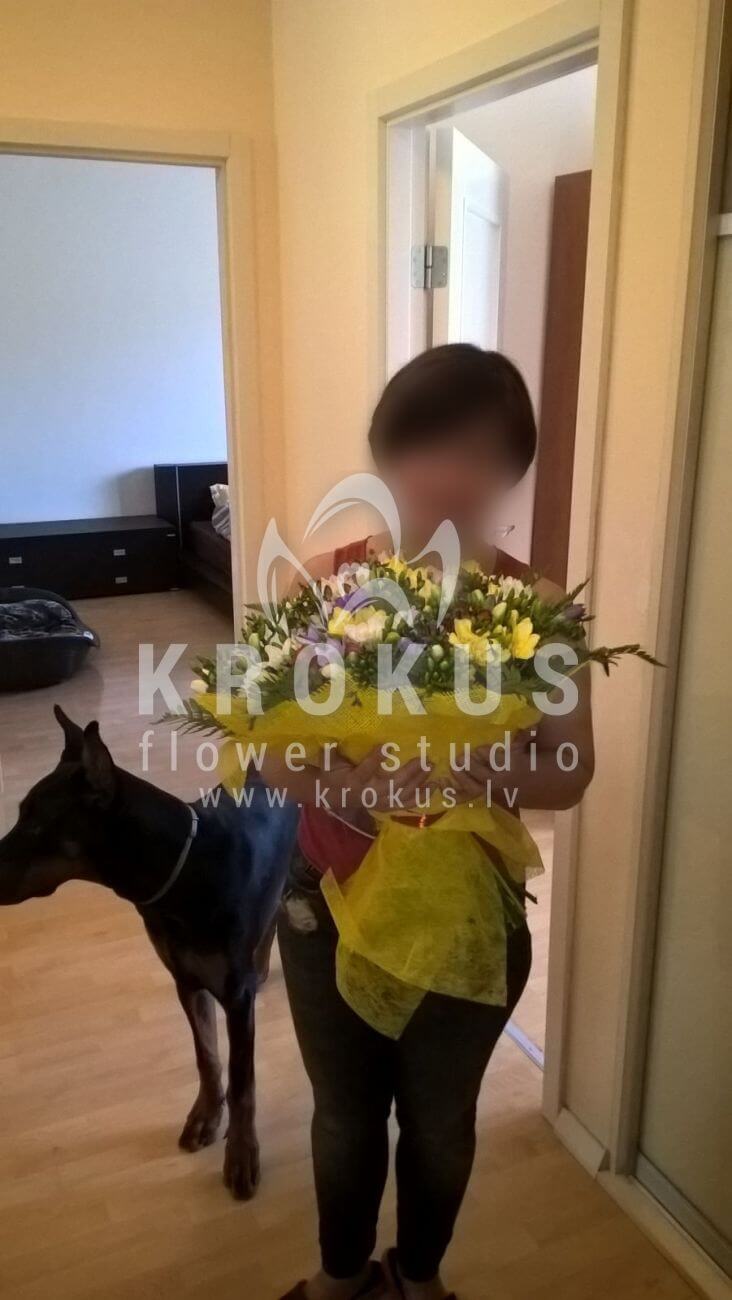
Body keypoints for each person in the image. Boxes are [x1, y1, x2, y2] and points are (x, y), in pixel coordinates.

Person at [266, 344, 595, 1300]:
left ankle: (417, 1279)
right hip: (329, 897)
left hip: (469, 909)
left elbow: (571, 770)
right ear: (384, 453)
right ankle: (338, 1280)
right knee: (343, 1115)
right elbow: (275, 759)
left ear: (514, 469)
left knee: (442, 1120)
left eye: (482, 453)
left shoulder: (539, 609)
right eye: (428, 447)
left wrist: (479, 767)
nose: (451, 474)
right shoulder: (316, 589)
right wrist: (346, 789)